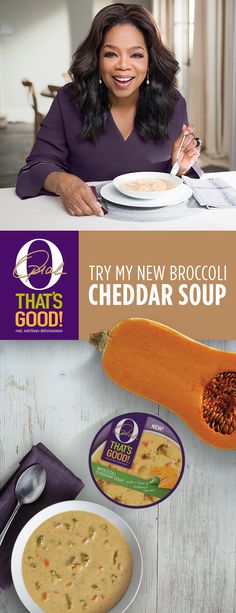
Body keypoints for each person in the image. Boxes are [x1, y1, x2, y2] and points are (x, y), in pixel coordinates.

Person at [16, 3, 202, 216]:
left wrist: (180, 167)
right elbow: (37, 165)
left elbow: (172, 177)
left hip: (154, 222)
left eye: (136, 55)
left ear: (150, 60)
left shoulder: (172, 102)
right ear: (96, 58)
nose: (123, 65)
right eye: (111, 54)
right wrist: (63, 182)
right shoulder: (69, 99)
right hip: (85, 220)